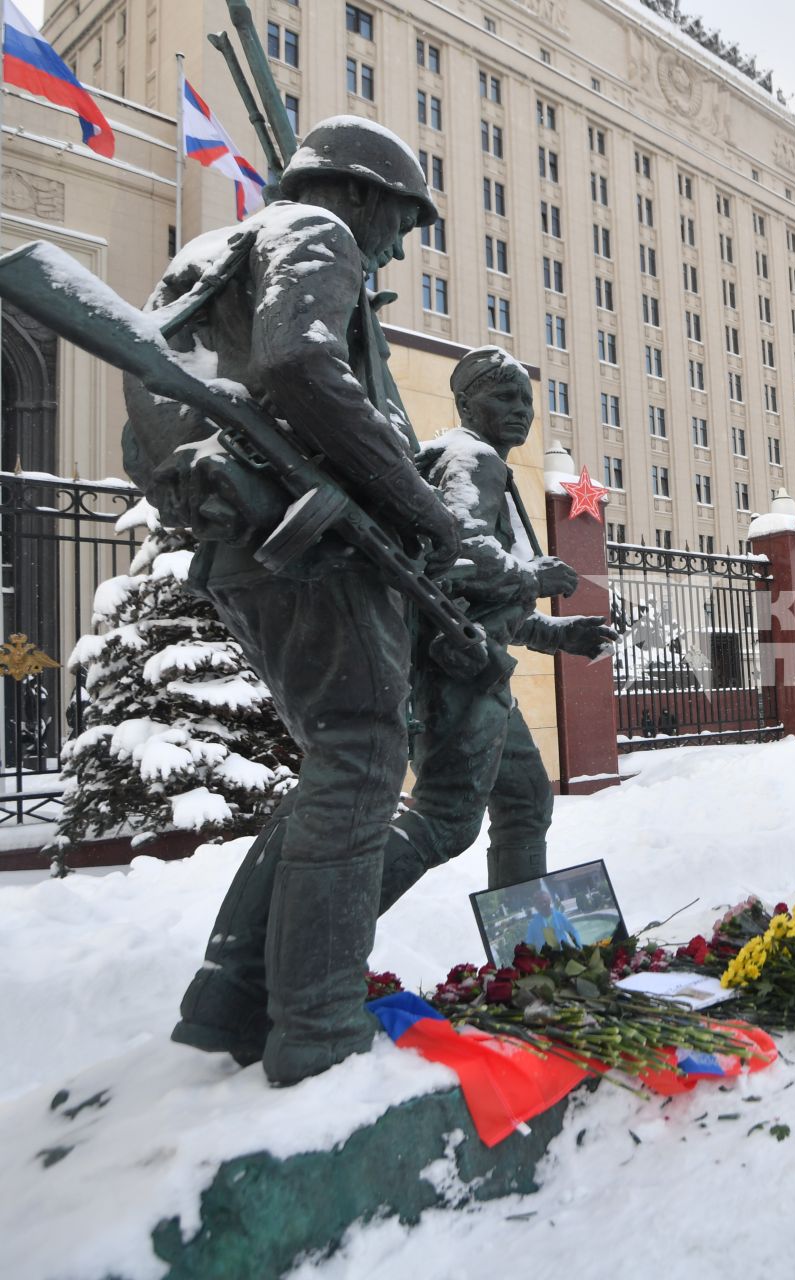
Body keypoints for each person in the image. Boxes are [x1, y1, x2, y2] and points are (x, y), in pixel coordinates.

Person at [138, 118, 458, 1084]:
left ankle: (230, 996)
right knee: (361, 761)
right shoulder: (312, 235)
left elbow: (151, 437)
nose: (395, 247)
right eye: (398, 221)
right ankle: (315, 1026)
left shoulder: (203, 262)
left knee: (333, 763)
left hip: (246, 547)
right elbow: (298, 363)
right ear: (357, 194)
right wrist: (418, 505)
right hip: (315, 552)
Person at [377, 347, 617, 913]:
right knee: (444, 818)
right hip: (452, 676)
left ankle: (527, 952)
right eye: (504, 396)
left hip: (477, 672)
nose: (521, 410)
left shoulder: (480, 465)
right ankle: (315, 949)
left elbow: (478, 600)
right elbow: (456, 553)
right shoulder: (472, 458)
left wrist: (559, 634)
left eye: (527, 400)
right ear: (465, 402)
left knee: (525, 800)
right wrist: (533, 573)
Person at [521, 883, 584, 951]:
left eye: (545, 902)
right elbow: (529, 942)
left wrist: (578, 944)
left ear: (549, 901)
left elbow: (573, 931)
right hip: (547, 956)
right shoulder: (533, 924)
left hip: (564, 952)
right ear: (536, 906)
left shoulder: (560, 916)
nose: (543, 905)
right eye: (539, 903)